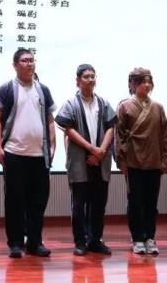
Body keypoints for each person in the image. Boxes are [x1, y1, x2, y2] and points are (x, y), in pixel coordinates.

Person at [0, 48, 56, 258]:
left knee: (38, 201)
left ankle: (35, 242)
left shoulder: (42, 89)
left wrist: (52, 146)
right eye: (25, 60)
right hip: (14, 153)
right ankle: (16, 243)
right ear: (15, 65)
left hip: (39, 156)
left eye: (32, 60)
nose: (30, 64)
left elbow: (50, 120)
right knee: (14, 201)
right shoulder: (7, 89)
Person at [55, 64, 116, 256]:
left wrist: (101, 151)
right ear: (78, 81)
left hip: (101, 161)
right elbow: (68, 129)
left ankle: (95, 240)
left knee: (99, 204)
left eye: (93, 76)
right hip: (79, 161)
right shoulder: (70, 103)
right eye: (86, 76)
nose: (90, 80)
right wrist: (91, 149)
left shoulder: (103, 103)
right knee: (79, 204)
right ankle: (80, 242)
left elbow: (111, 127)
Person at [115, 67, 167, 255]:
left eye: (149, 82)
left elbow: (164, 135)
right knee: (135, 202)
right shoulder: (124, 106)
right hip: (133, 161)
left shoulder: (158, 107)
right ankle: (137, 238)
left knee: (151, 202)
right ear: (132, 84)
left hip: (154, 160)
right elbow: (119, 135)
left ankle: (150, 237)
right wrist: (121, 161)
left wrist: (165, 158)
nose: (146, 85)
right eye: (142, 81)